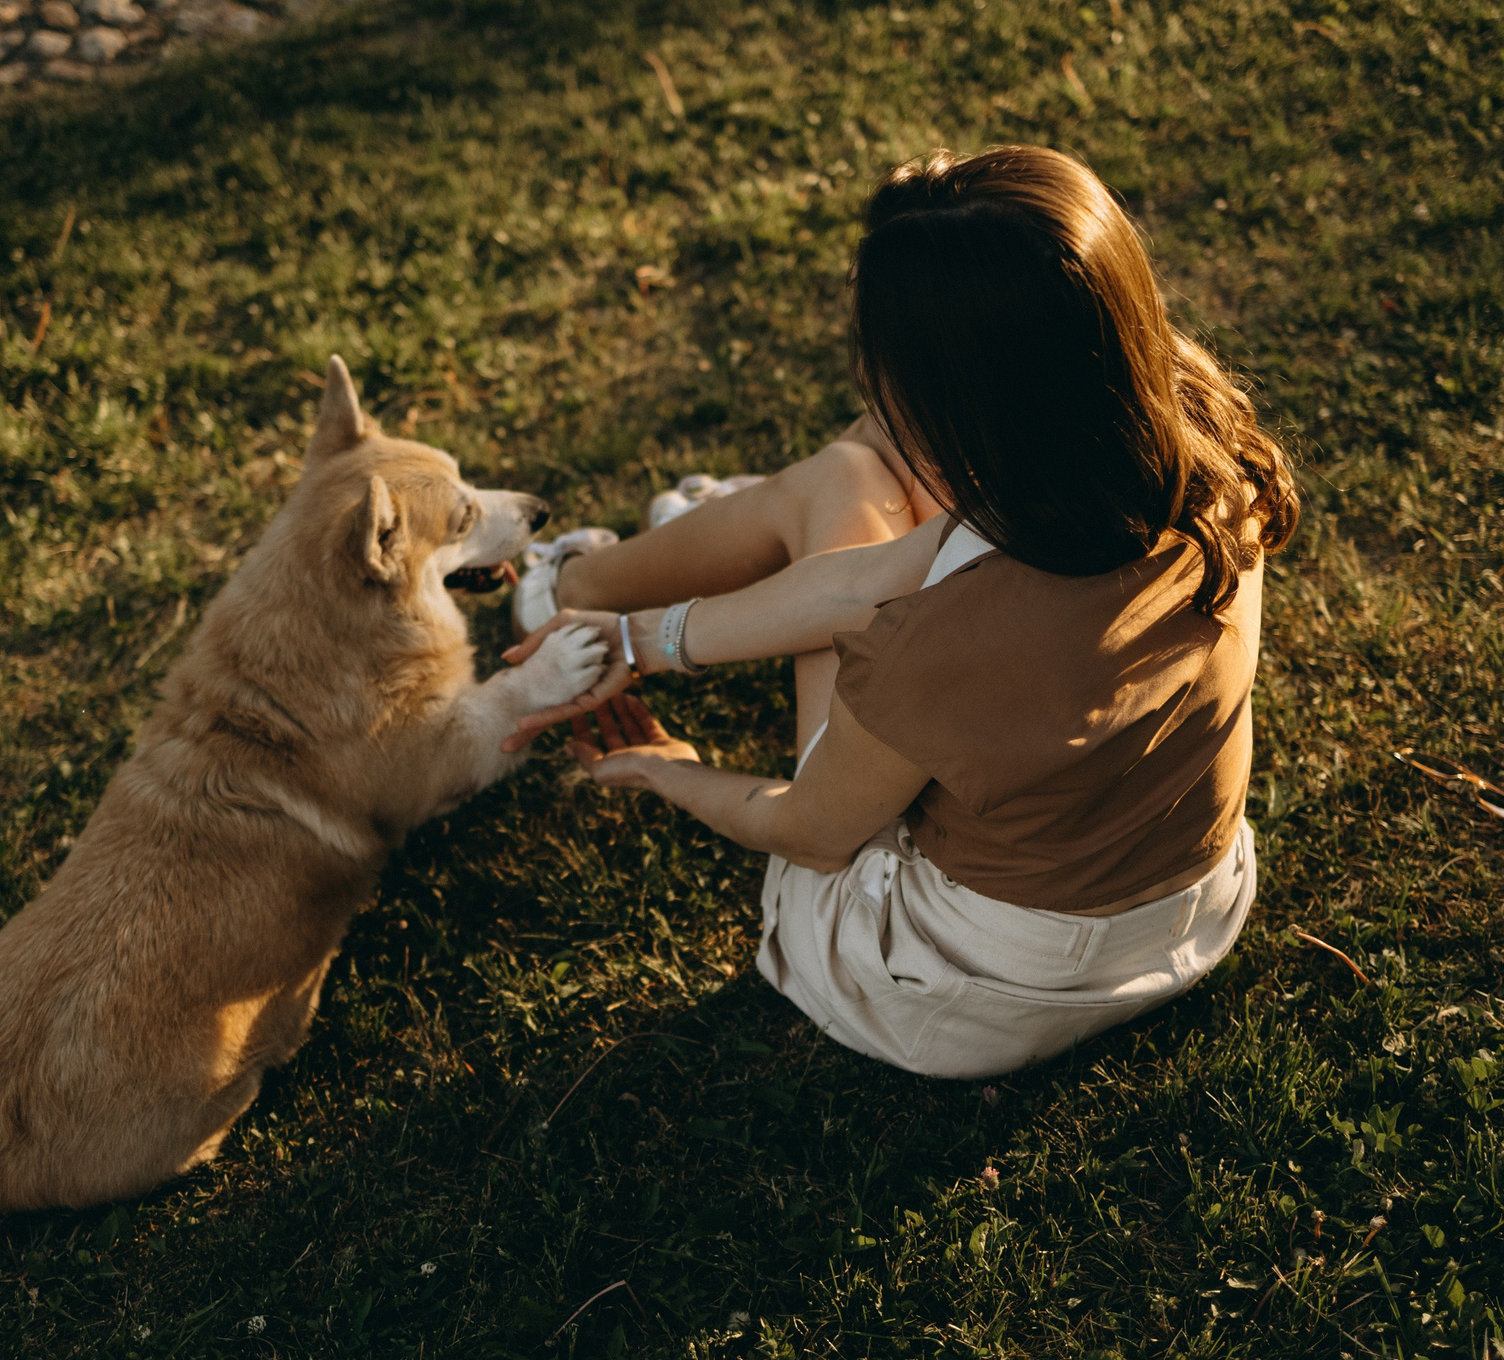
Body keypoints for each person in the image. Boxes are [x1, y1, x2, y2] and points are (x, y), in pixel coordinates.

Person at [502, 144, 1300, 1079]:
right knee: (865, 480)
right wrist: (649, 644)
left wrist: (669, 770)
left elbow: (811, 830)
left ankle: (581, 582)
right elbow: (888, 570)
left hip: (951, 988)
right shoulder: (1208, 447)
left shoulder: (944, 639)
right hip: (1192, 911)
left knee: (848, 474)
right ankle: (631, 582)